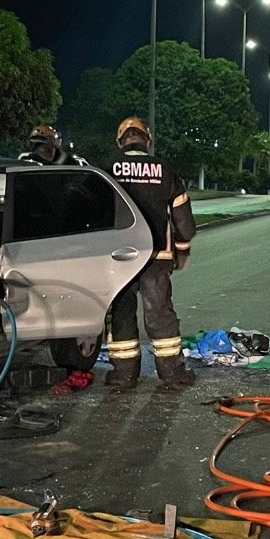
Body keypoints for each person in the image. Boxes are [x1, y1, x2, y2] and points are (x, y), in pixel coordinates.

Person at [104, 117, 196, 389]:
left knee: (121, 314)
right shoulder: (164, 171)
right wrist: (182, 249)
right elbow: (184, 221)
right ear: (148, 140)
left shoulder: (106, 170)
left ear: (120, 142)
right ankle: (172, 374)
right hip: (156, 257)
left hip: (118, 257)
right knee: (160, 315)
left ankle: (123, 375)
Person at [18, 125, 89, 166]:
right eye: (46, 148)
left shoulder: (69, 163)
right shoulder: (27, 164)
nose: (51, 150)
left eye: (53, 147)